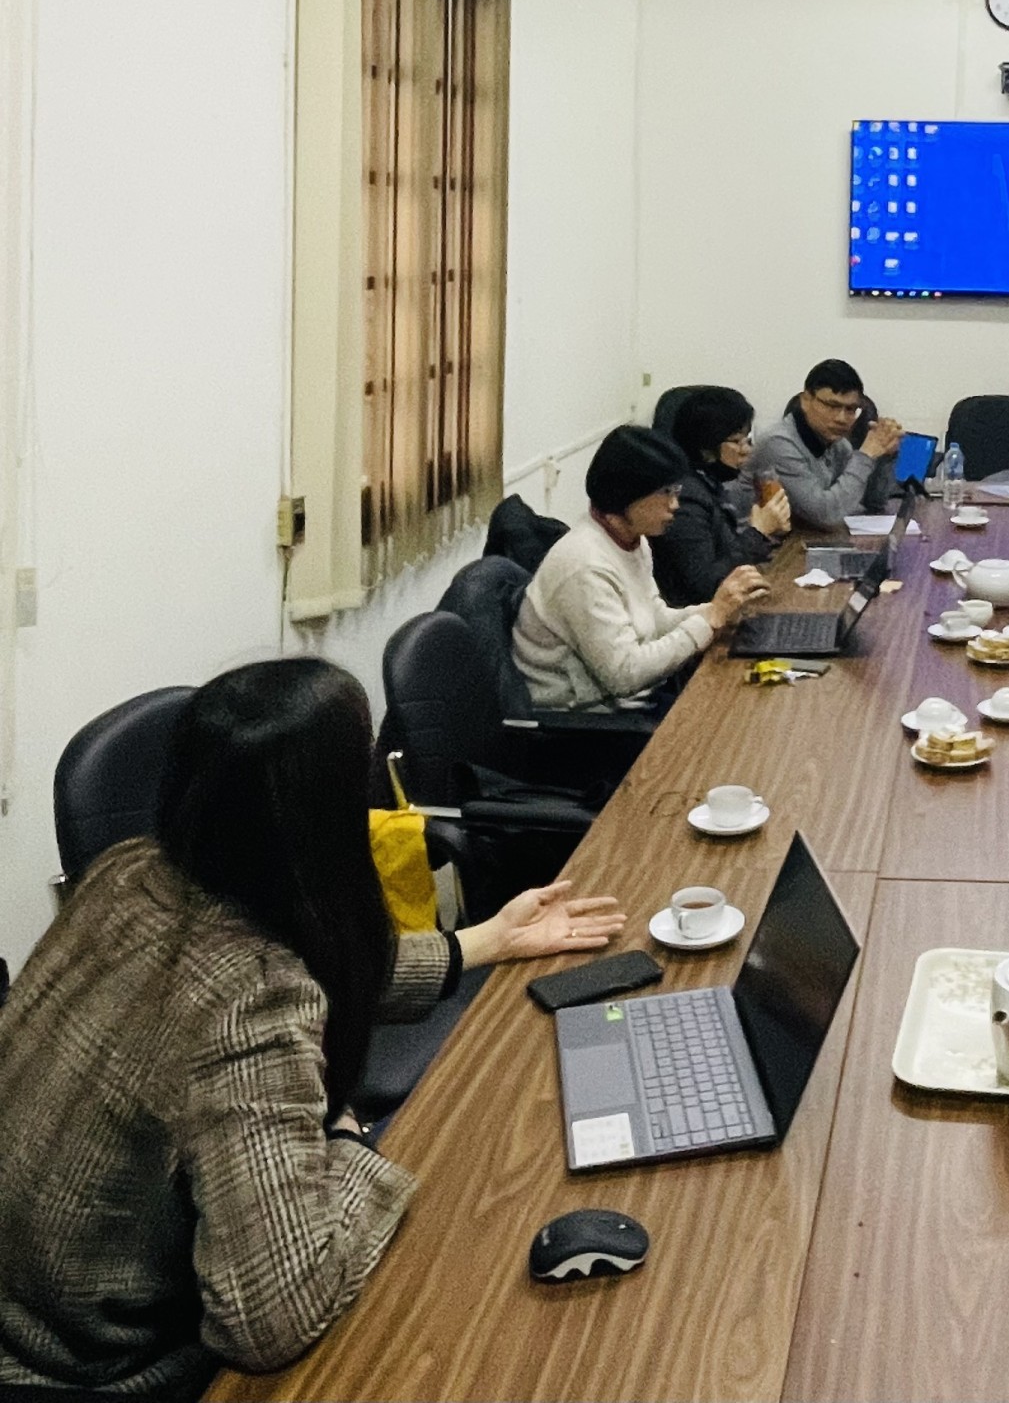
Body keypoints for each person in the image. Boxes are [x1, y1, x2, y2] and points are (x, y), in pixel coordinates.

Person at [0, 660, 626, 1397]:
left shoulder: (131, 872)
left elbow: (314, 955)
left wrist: (483, 941)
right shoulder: (249, 1002)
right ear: (323, 812)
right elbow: (270, 1317)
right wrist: (352, 1146)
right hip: (83, 1368)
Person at [514, 425, 768, 710]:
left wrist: (718, 609)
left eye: (677, 491)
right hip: (588, 725)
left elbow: (652, 620)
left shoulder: (632, 539)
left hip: (631, 700)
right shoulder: (584, 567)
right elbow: (624, 676)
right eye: (666, 493)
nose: (675, 505)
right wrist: (710, 620)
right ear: (627, 495)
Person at [654, 386, 791, 607]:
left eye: (747, 439)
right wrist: (758, 532)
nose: (747, 450)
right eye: (737, 441)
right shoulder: (684, 498)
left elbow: (728, 549)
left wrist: (769, 533)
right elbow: (705, 584)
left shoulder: (706, 482)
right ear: (706, 447)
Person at [746, 358, 904, 529]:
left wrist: (886, 455)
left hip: (795, 540)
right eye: (831, 405)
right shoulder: (778, 443)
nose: (841, 418)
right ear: (806, 400)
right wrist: (866, 455)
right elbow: (825, 514)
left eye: (850, 409)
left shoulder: (838, 445)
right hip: (753, 549)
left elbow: (872, 503)